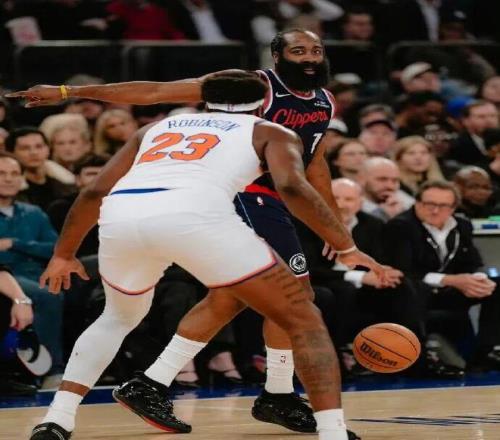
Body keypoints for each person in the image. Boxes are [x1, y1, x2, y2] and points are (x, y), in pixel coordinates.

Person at [6, 28, 362, 434]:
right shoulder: (251, 88)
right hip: (238, 196)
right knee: (295, 299)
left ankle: (142, 386)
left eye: (316, 49)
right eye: (299, 51)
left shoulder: (322, 101)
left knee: (230, 297)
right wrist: (70, 92)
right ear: (276, 58)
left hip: (151, 213)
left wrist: (336, 225)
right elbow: (154, 91)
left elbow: (316, 165)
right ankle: (286, 399)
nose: (310, 57)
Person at [384, 180, 500, 375]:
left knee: (496, 285)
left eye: (443, 206)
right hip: (413, 293)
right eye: (429, 204)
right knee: (412, 288)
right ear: (417, 203)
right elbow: (403, 271)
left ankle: (487, 351)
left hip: (450, 291)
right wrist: (450, 280)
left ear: (453, 208)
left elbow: (472, 262)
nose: (435, 210)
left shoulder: (462, 225)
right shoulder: (400, 226)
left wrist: (478, 279)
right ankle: (422, 357)